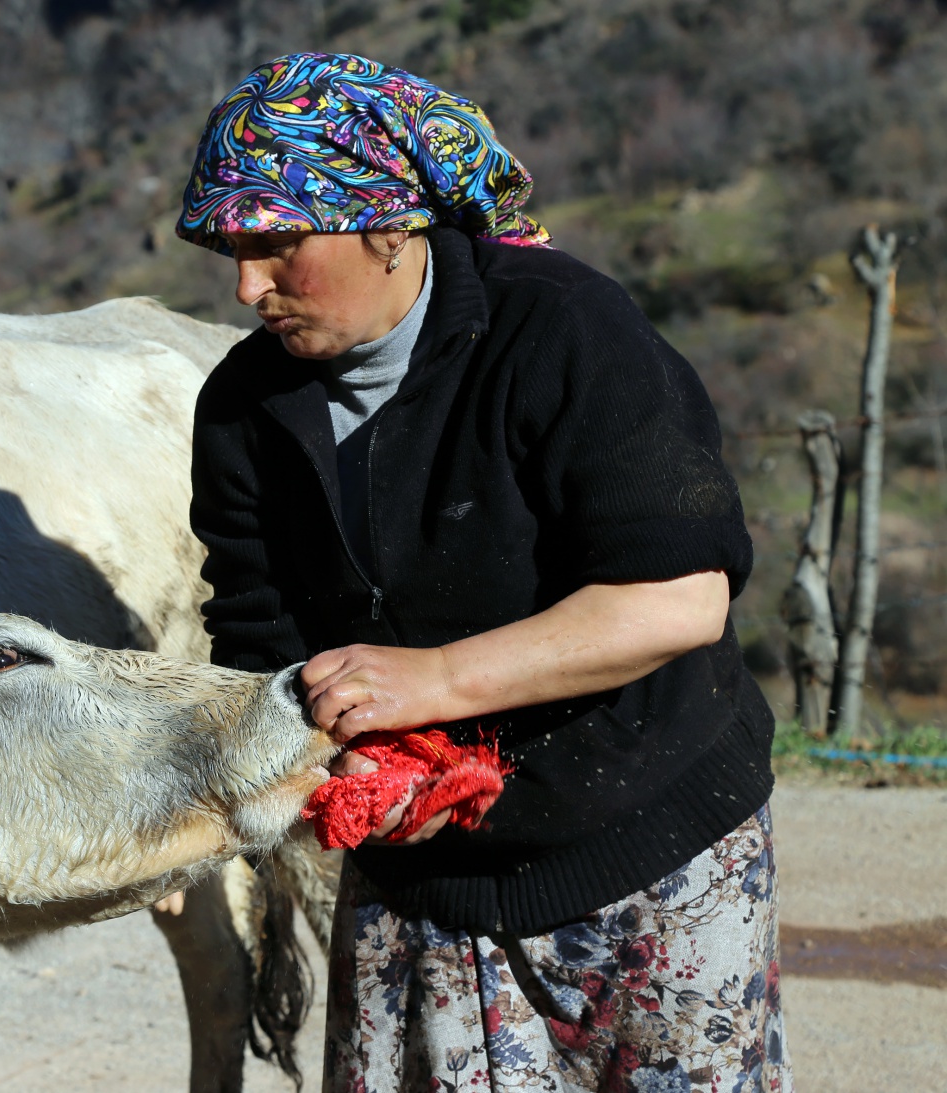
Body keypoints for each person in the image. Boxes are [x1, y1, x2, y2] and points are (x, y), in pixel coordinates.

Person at [176, 53, 792, 1092]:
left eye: (277, 244)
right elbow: (257, 636)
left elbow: (677, 596)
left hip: (641, 844)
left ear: (387, 223)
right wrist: (351, 775)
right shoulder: (242, 411)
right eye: (230, 253)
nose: (247, 286)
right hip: (419, 878)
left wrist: (434, 683)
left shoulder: (561, 331)